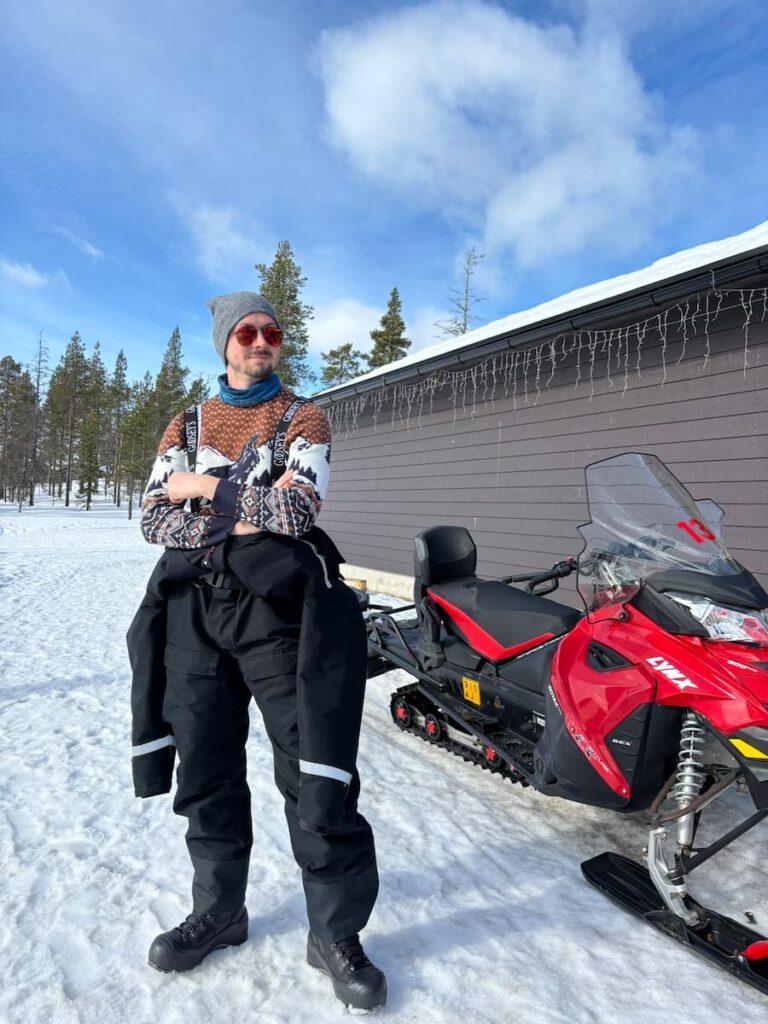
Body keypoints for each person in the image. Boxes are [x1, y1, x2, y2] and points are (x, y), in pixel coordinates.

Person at [128, 291, 386, 1012]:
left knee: (315, 770)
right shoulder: (185, 423)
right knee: (205, 766)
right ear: (224, 343)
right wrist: (240, 500)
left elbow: (299, 511)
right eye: (246, 332)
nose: (261, 341)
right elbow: (152, 519)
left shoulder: (303, 418)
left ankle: (333, 933)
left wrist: (198, 489)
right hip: (194, 611)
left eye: (271, 331)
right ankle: (221, 911)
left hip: (279, 614)